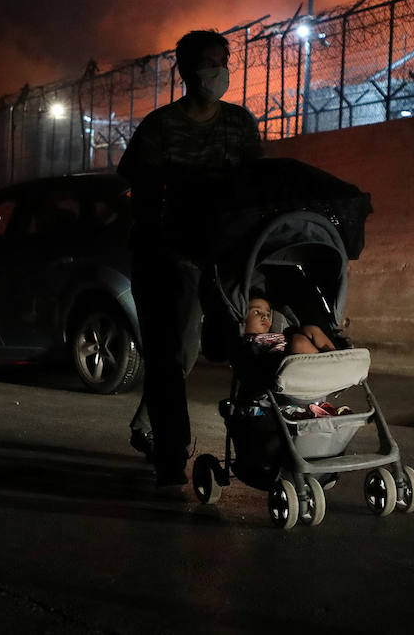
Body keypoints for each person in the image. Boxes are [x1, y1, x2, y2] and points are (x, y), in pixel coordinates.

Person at [117, 29, 262, 486]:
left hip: (218, 254)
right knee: (167, 351)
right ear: (186, 70)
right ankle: (171, 453)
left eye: (223, 61)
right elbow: (140, 194)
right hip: (165, 255)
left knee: (209, 348)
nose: (218, 71)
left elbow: (257, 185)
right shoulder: (160, 129)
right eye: (208, 62)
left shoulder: (239, 125)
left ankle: (159, 427)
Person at [241, 294, 336, 357]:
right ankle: (331, 362)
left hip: (304, 355)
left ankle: (336, 355)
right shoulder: (248, 340)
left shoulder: (274, 334)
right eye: (256, 312)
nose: (265, 317)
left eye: (268, 314)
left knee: (310, 329)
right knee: (298, 341)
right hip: (284, 363)